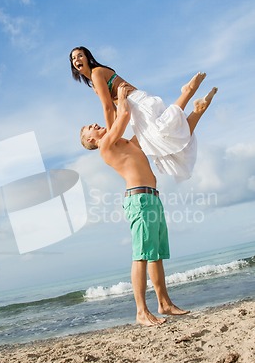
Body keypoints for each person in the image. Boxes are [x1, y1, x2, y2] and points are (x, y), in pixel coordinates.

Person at [80, 82, 215, 326]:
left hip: (152, 197)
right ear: (90, 139)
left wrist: (189, 108)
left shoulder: (128, 144)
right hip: (139, 200)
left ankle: (164, 303)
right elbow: (123, 116)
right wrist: (119, 98)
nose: (96, 125)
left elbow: (153, 133)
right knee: (141, 255)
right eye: (92, 128)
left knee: (156, 255)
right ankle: (141, 311)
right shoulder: (106, 147)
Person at [70, 46, 218, 181]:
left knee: (163, 133)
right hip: (137, 101)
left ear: (87, 58)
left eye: (80, 56)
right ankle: (198, 109)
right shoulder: (96, 80)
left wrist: (111, 135)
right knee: (165, 137)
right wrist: (114, 132)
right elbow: (114, 111)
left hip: (135, 103)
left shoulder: (96, 75)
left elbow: (108, 107)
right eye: (74, 58)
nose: (77, 60)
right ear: (74, 67)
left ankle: (187, 92)